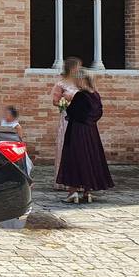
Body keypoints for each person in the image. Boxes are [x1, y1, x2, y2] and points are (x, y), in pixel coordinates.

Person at [57, 72, 113, 203]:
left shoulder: (80, 96)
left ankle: (73, 192)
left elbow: (73, 112)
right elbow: (98, 113)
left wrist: (68, 104)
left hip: (77, 131)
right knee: (89, 158)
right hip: (91, 132)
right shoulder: (96, 95)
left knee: (74, 158)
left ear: (83, 81)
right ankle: (87, 192)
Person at [51, 57, 82, 190]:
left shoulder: (80, 83)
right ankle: (64, 180)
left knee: (79, 147)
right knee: (65, 146)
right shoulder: (61, 84)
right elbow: (55, 101)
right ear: (71, 68)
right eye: (77, 67)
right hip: (67, 118)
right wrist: (65, 104)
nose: (79, 69)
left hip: (80, 118)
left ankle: (79, 181)